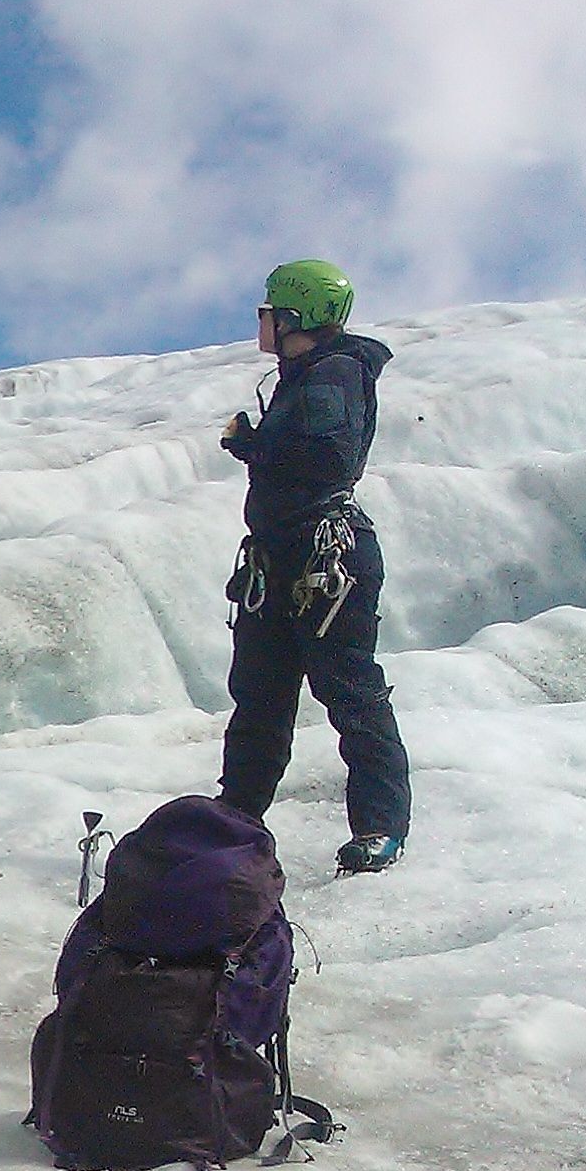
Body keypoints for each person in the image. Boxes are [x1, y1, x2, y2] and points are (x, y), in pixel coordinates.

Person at [216, 259, 409, 874]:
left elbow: (330, 456)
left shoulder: (333, 373)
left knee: (347, 691)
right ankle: (236, 820)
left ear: (294, 317)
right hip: (289, 557)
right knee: (261, 697)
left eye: (269, 312)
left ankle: (379, 826)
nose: (262, 323)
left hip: (324, 556)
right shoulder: (309, 376)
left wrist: (257, 446)